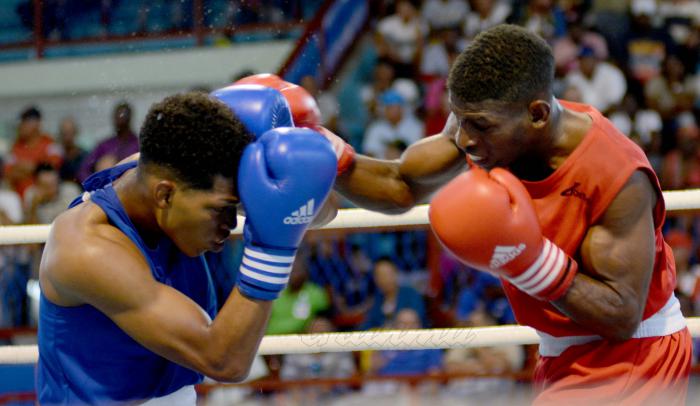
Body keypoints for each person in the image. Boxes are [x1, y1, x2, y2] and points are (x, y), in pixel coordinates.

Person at [277, 25, 690, 404]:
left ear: (538, 115)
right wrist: (327, 153)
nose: (465, 139)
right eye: (460, 120)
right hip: (560, 352)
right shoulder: (486, 126)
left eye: (479, 125)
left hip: (636, 354)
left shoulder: (615, 173)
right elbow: (400, 185)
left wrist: (530, 259)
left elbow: (620, 314)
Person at [37, 88, 337, 404]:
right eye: (221, 209)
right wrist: (271, 250)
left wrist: (309, 163)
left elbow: (317, 208)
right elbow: (224, 361)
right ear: (164, 196)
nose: (232, 223)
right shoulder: (87, 249)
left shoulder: (175, 175)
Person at [77, 102, 139, 182]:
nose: (120, 119)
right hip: (106, 189)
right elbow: (83, 170)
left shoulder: (138, 145)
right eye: (117, 116)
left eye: (123, 116)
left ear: (129, 118)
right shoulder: (104, 146)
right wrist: (96, 183)